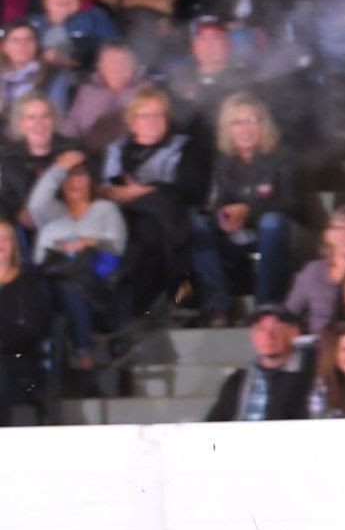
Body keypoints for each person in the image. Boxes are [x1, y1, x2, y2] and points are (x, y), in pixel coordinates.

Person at [101, 85, 207, 319]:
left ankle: (137, 307)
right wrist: (148, 193)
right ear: (132, 120)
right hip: (134, 218)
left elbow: (189, 189)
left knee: (154, 221)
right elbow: (115, 190)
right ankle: (179, 293)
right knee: (151, 218)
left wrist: (143, 190)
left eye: (158, 114)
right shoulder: (119, 150)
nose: (152, 121)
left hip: (170, 216)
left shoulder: (184, 147)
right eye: (144, 115)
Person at [190, 92, 294, 325]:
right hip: (236, 235)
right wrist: (223, 216)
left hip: (276, 234)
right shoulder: (223, 162)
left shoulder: (281, 157)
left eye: (251, 120)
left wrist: (248, 210)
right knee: (198, 226)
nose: (244, 128)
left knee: (272, 222)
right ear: (228, 129)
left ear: (262, 125)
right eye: (237, 122)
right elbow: (214, 203)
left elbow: (289, 204)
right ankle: (217, 306)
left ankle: (264, 307)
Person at [28, 148, 124, 371]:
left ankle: (83, 349)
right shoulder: (54, 218)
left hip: (96, 280)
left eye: (80, 174)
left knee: (69, 284)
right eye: (68, 176)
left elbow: (116, 244)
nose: (74, 182)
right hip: (55, 285)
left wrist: (88, 241)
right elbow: (36, 206)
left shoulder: (104, 209)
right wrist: (58, 168)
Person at [207, 305, 312, 421]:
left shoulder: (309, 378)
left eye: (277, 328)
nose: (269, 336)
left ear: (294, 332)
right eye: (260, 329)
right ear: (252, 336)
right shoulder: (236, 381)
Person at [286, 209, 345, 342]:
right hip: (318, 345)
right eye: (341, 228)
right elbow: (290, 313)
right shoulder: (312, 271)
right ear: (327, 235)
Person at [0, 90, 81, 223]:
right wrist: (16, 215)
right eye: (31, 117)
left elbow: (84, 196)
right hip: (24, 234)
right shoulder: (8, 158)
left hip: (68, 223)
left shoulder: (73, 149)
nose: (39, 123)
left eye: (45, 116)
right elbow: (4, 203)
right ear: (21, 124)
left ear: (54, 120)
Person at [0, 215, 49, 423]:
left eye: (4, 238)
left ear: (13, 244)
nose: (0, 244)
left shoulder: (28, 283)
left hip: (18, 359)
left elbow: (31, 330)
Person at [28, 0, 116, 76]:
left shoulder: (94, 17)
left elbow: (113, 52)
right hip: (37, 79)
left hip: (83, 79)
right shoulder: (31, 23)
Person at [61, 41, 138, 153]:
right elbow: (71, 125)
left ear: (132, 66)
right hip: (89, 152)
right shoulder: (87, 91)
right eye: (111, 62)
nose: (118, 68)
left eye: (123, 62)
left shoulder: (145, 91)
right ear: (101, 67)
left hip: (130, 154)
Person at [0, 21, 70, 117]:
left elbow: (57, 114)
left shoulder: (53, 75)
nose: (22, 45)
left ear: (37, 45)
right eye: (15, 40)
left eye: (29, 40)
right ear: (4, 47)